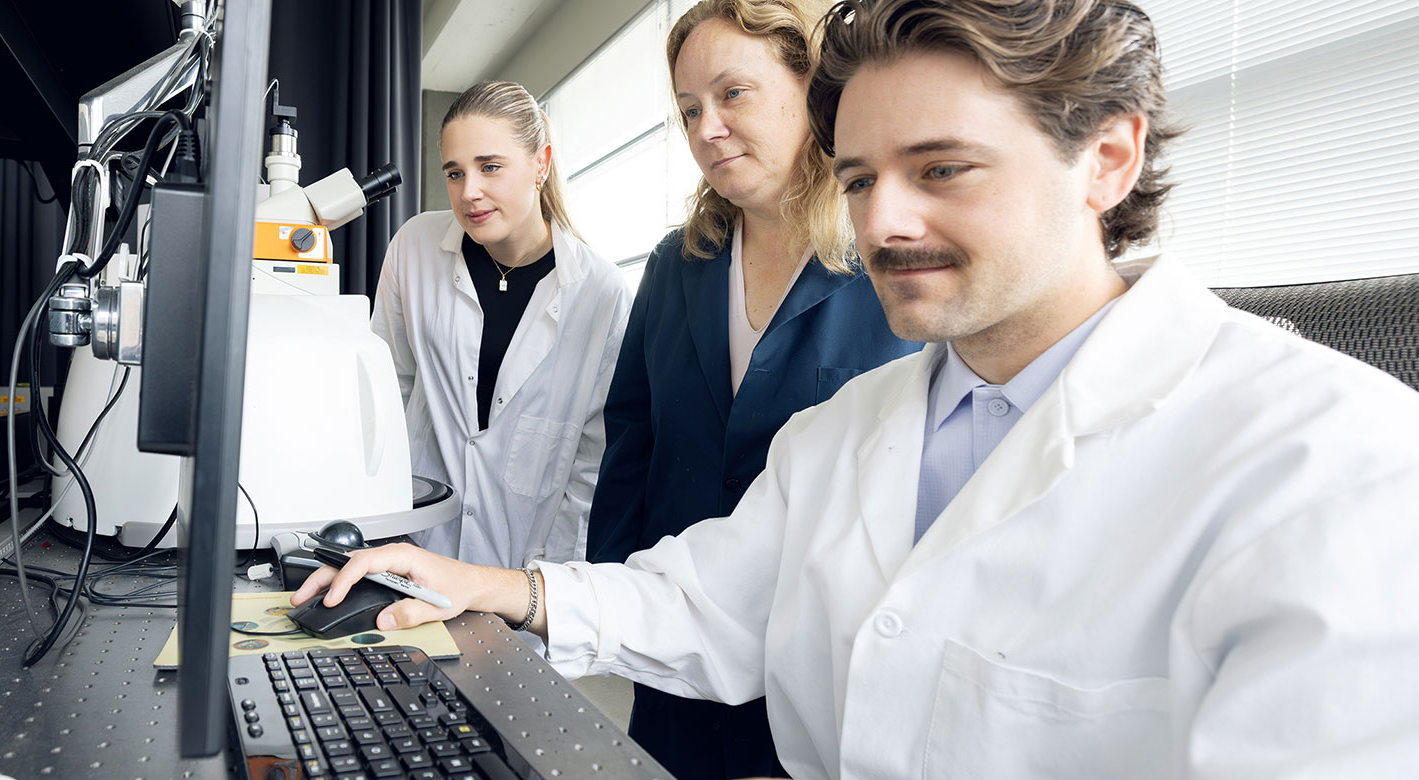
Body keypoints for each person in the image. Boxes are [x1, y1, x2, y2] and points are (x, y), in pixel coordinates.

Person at [303, 0, 1419, 776]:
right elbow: (709, 600)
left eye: (941, 169)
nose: (884, 222)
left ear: (1109, 160)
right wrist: (495, 586)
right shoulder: (852, 430)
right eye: (860, 178)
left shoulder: (1337, 465)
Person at [586, 1, 918, 775]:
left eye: (733, 94)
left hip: (824, 658)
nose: (706, 129)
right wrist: (613, 589)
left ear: (812, 89)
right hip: (675, 642)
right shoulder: (678, 263)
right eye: (689, 108)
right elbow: (632, 435)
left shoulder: (892, 263)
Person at [371, 80, 632, 572]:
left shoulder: (601, 292)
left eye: (490, 167)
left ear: (541, 164)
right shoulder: (414, 246)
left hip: (523, 572)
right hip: (413, 549)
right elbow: (386, 393)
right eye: (454, 172)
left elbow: (590, 463)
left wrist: (547, 584)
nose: (470, 192)